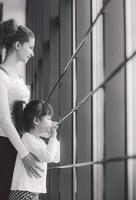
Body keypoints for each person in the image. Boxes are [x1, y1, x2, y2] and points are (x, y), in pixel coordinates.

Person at [0, 19, 44, 200]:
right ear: (18, 45)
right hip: (5, 147)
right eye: (31, 47)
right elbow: (4, 120)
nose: (33, 53)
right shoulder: (1, 76)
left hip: (17, 145)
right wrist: (24, 154)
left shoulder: (16, 76)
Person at [8, 100, 60, 200]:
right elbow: (48, 157)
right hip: (23, 191)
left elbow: (55, 158)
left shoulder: (39, 141)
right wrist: (53, 136)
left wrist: (53, 138)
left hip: (31, 191)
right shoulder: (27, 138)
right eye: (49, 119)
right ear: (36, 121)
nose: (50, 122)